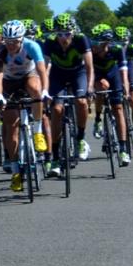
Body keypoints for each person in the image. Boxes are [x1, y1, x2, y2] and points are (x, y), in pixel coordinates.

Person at [0, 19, 48, 192]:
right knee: (11, 126)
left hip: (28, 76)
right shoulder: (0, 50)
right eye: (8, 41)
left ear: (22, 39)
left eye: (14, 41)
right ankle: (15, 171)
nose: (11, 45)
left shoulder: (32, 46)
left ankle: (37, 133)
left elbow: (42, 69)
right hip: (8, 82)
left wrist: (44, 91)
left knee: (35, 89)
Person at [40, 13, 94, 174]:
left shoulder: (81, 40)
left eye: (67, 34)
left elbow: (90, 67)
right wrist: (44, 89)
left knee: (82, 102)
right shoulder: (49, 43)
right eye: (60, 34)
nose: (64, 38)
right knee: (56, 110)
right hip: (58, 75)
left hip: (78, 73)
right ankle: (55, 157)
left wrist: (90, 87)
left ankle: (81, 138)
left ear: (73, 32)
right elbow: (44, 67)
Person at [89, 23, 132, 166]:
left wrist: (125, 89)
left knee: (118, 109)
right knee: (101, 87)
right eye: (93, 42)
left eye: (97, 43)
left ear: (106, 43)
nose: (94, 45)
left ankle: (123, 148)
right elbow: (88, 71)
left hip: (113, 75)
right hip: (97, 74)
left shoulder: (117, 50)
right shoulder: (90, 51)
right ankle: (98, 119)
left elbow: (123, 72)